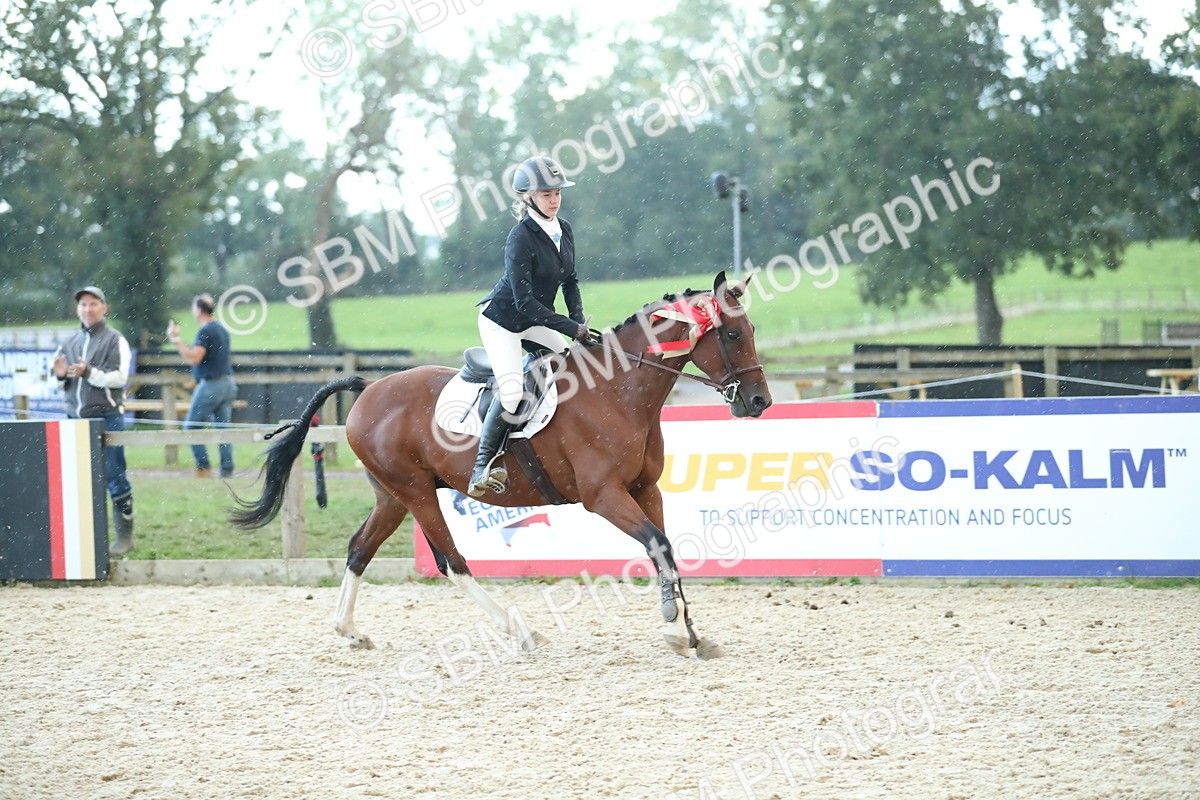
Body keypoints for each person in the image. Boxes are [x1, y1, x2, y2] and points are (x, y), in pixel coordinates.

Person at [468, 156, 593, 497]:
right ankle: (481, 466)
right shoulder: (519, 238)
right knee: (511, 394)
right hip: (504, 322)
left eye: (557, 193)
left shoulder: (563, 229)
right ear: (527, 197)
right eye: (546, 194)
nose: (554, 200)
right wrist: (570, 327)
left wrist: (579, 320)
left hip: (535, 320)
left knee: (575, 361)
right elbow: (524, 304)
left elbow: (570, 281)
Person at [52, 286, 136, 555]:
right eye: (83, 305)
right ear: (77, 310)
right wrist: (61, 376)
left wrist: (90, 373)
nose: (87, 309)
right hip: (73, 420)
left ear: (104, 308)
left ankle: (124, 537)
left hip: (107, 418)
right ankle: (84, 540)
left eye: (93, 304)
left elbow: (120, 378)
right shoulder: (68, 342)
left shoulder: (115, 340)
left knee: (114, 478)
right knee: (77, 481)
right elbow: (55, 381)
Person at [167, 294, 236, 478]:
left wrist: (176, 341)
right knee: (223, 430)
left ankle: (203, 467)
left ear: (198, 310)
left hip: (211, 385)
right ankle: (227, 470)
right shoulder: (221, 330)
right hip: (228, 383)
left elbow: (195, 358)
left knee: (191, 427)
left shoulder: (205, 331)